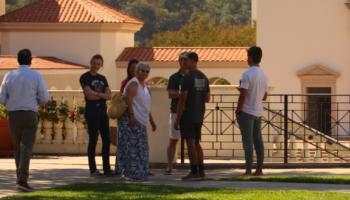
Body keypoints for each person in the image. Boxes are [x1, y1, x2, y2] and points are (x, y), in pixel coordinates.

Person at [0, 49, 49, 191]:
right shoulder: (36, 76)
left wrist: (12, 103)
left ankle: (20, 177)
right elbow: (44, 98)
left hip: (13, 115)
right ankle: (22, 180)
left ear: (17, 60)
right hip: (29, 114)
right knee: (26, 146)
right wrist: (35, 102)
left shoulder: (9, 75)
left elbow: (1, 98)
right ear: (30, 61)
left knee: (17, 146)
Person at [115, 62, 157, 181]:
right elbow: (128, 99)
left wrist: (152, 121)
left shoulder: (144, 85)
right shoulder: (134, 83)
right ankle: (129, 173)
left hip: (141, 120)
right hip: (131, 119)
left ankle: (140, 171)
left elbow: (146, 105)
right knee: (131, 147)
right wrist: (132, 115)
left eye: (147, 71)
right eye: (142, 70)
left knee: (141, 147)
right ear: (138, 71)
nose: (145, 73)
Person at [174, 52, 210, 181]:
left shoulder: (186, 78)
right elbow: (207, 98)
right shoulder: (204, 77)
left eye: (186, 60)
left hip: (188, 115)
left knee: (190, 143)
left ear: (193, 61)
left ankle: (194, 172)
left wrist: (178, 118)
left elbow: (182, 99)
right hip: (199, 114)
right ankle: (201, 172)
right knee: (197, 143)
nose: (183, 63)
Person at [236, 46, 268, 176]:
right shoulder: (264, 75)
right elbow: (264, 97)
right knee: (258, 141)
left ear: (250, 57)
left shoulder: (247, 74)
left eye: (247, 56)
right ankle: (259, 169)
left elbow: (243, 95)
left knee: (248, 141)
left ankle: (248, 170)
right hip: (258, 112)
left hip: (247, 112)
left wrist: (237, 111)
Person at [80, 54, 114, 177]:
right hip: (91, 110)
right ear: (90, 63)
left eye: (98, 64)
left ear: (101, 65)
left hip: (102, 110)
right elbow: (89, 96)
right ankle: (93, 169)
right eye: (94, 63)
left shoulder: (102, 78)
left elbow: (109, 96)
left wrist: (96, 93)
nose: (96, 66)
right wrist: (101, 94)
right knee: (93, 139)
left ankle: (107, 169)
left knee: (107, 139)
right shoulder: (85, 77)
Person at [164, 52, 189, 175]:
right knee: (173, 139)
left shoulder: (194, 76)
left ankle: (195, 167)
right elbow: (170, 94)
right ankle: (169, 166)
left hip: (190, 112)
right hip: (175, 112)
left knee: (193, 141)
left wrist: (180, 93)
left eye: (187, 60)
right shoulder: (174, 77)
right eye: (182, 60)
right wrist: (183, 94)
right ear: (179, 61)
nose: (184, 62)